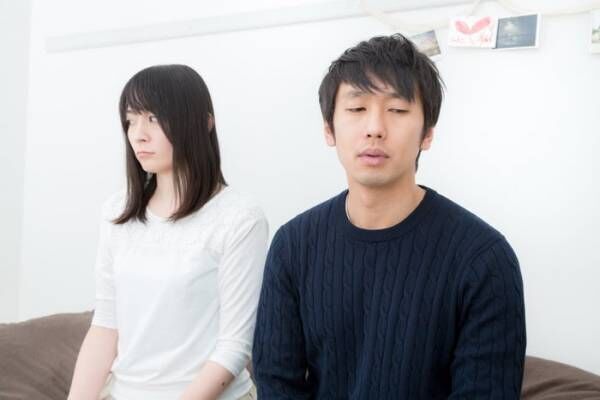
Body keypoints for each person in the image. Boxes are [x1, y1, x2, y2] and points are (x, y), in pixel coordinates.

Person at [252, 34, 526, 399]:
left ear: (427, 134)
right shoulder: (293, 246)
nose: (375, 128)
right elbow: (276, 382)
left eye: (397, 110)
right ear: (329, 129)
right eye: (356, 109)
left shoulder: (483, 258)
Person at [68, 64, 267, 400]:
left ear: (204, 123)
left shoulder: (239, 218)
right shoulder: (117, 212)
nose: (138, 134)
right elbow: (105, 326)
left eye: (154, 118)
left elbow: (234, 347)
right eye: (131, 120)